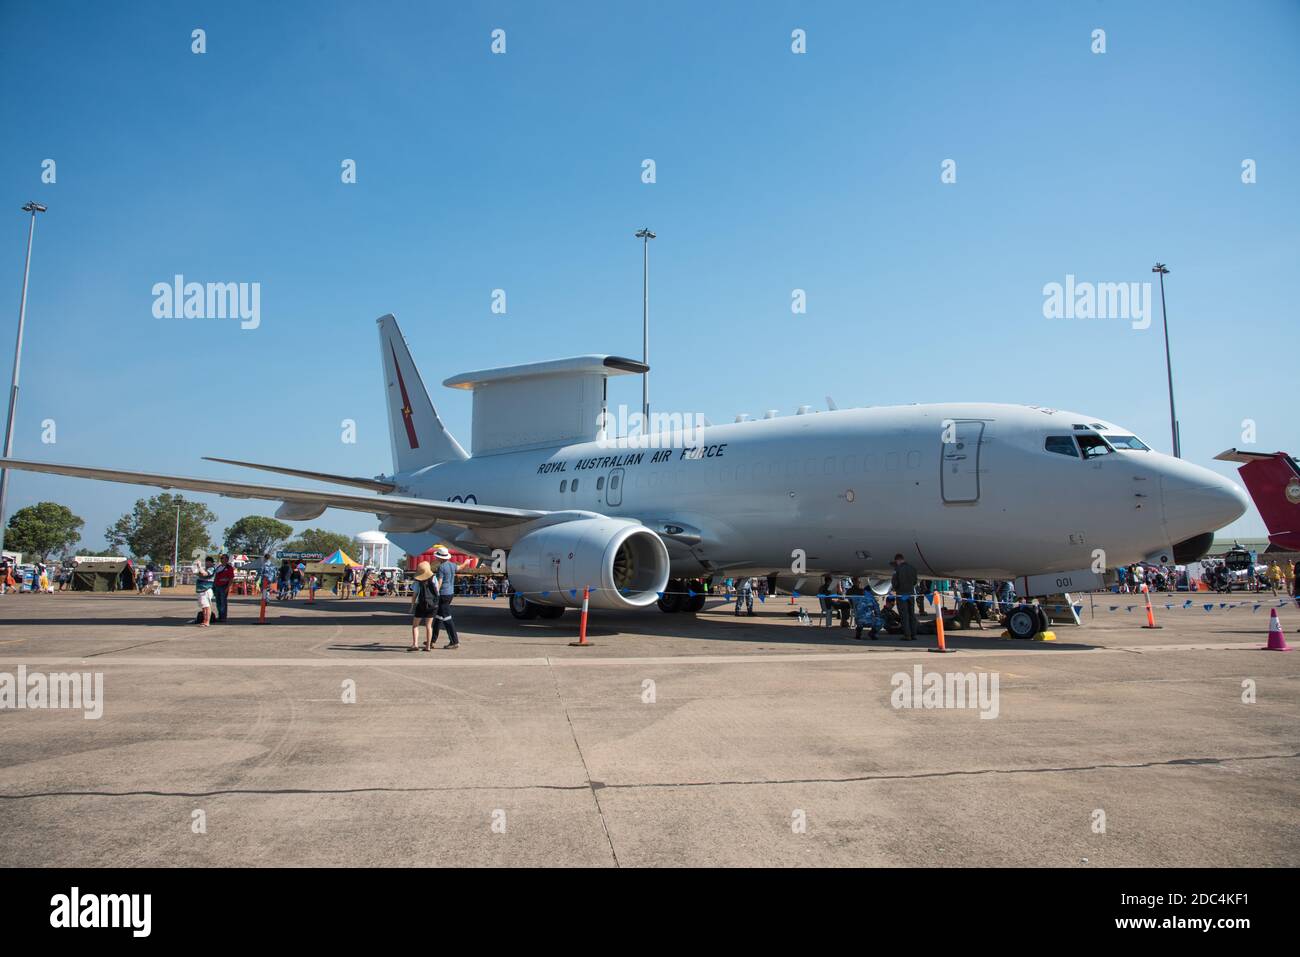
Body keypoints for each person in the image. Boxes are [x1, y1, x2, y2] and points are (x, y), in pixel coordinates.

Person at [429, 546, 461, 649]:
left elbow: (440, 582)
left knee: (447, 618)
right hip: (450, 593)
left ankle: (454, 641)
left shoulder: (441, 567)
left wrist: (434, 593)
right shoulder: (453, 565)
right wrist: (467, 563)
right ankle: (432, 640)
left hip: (443, 594)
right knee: (438, 617)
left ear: (440, 558)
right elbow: (460, 568)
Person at [409, 560, 437, 651]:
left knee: (415, 625)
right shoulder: (434, 578)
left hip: (421, 605)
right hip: (432, 604)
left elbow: (414, 595)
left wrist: (412, 605)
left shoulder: (417, 582)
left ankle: (415, 644)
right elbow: (437, 591)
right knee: (429, 626)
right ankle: (428, 646)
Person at [891, 553, 918, 641]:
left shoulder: (897, 569)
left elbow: (895, 583)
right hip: (910, 594)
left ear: (898, 560)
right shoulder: (912, 568)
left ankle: (907, 635)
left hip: (902, 594)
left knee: (904, 615)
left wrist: (896, 588)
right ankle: (914, 634)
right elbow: (915, 582)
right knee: (912, 614)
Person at [194, 557, 216, 626]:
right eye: (206, 561)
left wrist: (199, 566)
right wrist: (198, 569)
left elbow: (204, 574)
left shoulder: (212, 569)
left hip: (206, 590)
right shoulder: (205, 569)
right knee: (203, 606)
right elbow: (199, 573)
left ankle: (207, 621)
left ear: (211, 563)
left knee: (207, 606)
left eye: (208, 562)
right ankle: (204, 620)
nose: (206, 563)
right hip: (201, 590)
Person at [212, 554, 234, 622]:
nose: (221, 559)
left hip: (224, 587)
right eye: (221, 558)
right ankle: (220, 616)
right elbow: (215, 577)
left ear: (227, 560)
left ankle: (223, 617)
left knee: (223, 602)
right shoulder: (219, 567)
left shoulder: (229, 568)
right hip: (217, 586)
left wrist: (228, 587)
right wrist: (214, 586)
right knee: (218, 602)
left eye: (223, 558)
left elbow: (231, 578)